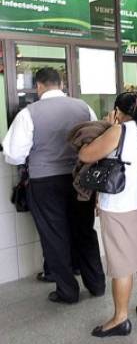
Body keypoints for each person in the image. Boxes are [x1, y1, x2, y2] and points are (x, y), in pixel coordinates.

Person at [2, 67, 105, 304]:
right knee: (84, 230)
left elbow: (14, 155)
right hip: (80, 179)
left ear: (38, 86)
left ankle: (67, 292)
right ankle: (97, 284)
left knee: (54, 235)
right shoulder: (83, 107)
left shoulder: (29, 113)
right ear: (61, 84)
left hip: (45, 182)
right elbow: (96, 139)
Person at [79, 93, 137, 337]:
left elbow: (85, 155)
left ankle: (120, 319)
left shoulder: (118, 132)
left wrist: (107, 127)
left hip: (118, 206)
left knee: (121, 265)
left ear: (117, 111)